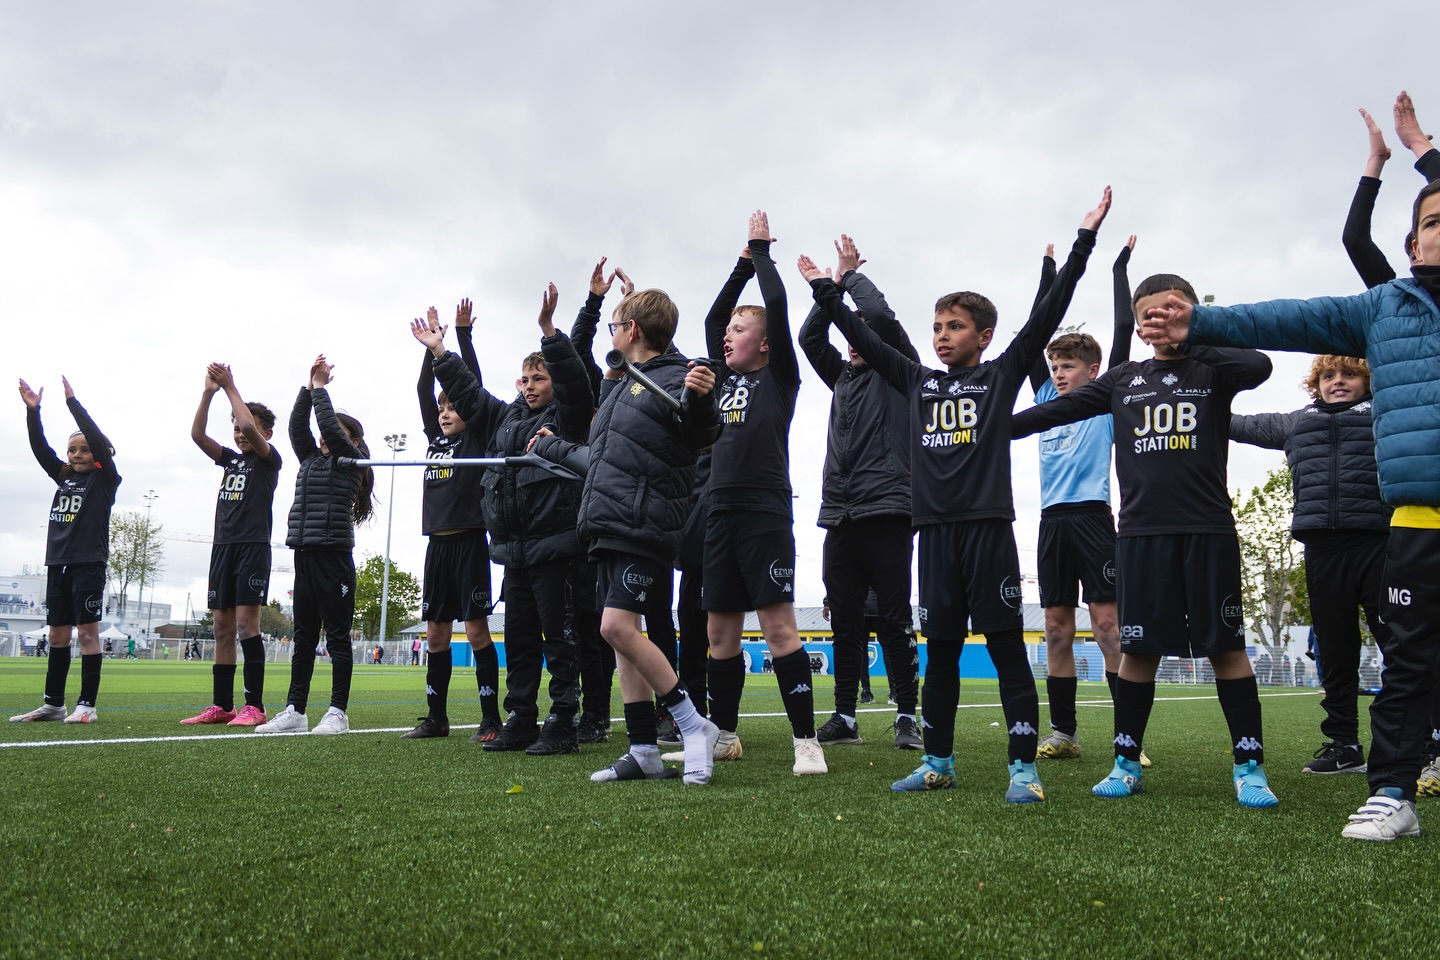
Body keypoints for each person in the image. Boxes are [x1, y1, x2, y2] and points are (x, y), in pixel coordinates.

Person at [1141, 175, 1440, 840]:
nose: (1337, 380)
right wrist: (1202, 339)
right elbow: (1282, 325)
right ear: (1412, 243)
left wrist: (1419, 155)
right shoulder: (1376, 322)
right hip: (1396, 530)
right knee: (1393, 657)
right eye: (1435, 220)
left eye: (1350, 374)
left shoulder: (1375, 412)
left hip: (1374, 538)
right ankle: (1384, 779)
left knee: (1410, 651)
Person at [799, 186, 1112, 801]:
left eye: (955, 326)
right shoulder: (916, 382)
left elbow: (1050, 311)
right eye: (937, 326)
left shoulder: (1000, 377)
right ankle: (937, 760)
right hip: (933, 537)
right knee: (939, 652)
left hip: (988, 532)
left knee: (1004, 651)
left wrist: (1083, 242)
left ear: (985, 335)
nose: (941, 336)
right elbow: (859, 332)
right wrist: (828, 290)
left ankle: (1024, 767)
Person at [1016, 271, 1277, 808]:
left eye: (1169, 310)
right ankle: (1126, 762)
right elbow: (1055, 411)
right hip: (1139, 536)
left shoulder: (1212, 367)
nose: (1157, 320)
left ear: (1186, 312)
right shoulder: (1121, 380)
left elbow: (1261, 364)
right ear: (1136, 326)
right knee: (1138, 652)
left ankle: (1249, 767)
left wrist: (1195, 331)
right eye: (1148, 315)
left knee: (1226, 649)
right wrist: (993, 426)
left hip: (1207, 532)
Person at [535, 286, 723, 783]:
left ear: (632, 331)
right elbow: (602, 457)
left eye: (615, 326)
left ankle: (690, 722)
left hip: (645, 524)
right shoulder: (620, 386)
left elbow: (702, 431)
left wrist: (702, 400)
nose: (610, 336)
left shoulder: (678, 377)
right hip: (607, 524)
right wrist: (556, 449)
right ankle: (642, 749)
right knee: (625, 639)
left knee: (614, 628)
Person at [704, 211, 825, 776]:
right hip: (719, 511)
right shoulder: (724, 381)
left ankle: (807, 740)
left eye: (740, 329)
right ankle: (724, 735)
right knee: (719, 630)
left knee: (777, 626)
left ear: (767, 345)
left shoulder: (779, 378)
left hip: (765, 510)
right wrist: (739, 266)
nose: (728, 335)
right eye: (729, 330)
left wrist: (762, 254)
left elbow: (776, 308)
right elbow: (711, 317)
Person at [1230, 355, 1391, 774]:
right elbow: (1233, 424)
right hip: (1322, 549)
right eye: (1328, 375)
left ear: (1368, 380)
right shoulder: (1296, 422)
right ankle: (1344, 745)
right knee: (1335, 653)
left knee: (1403, 646)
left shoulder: (1388, 413)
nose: (1338, 382)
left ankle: (1426, 741)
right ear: (1315, 383)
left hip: (1383, 544)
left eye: (1350, 374)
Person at [799, 235, 921, 751]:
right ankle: (845, 715)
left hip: (888, 509)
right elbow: (809, 339)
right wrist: (821, 292)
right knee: (846, 622)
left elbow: (880, 315)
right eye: (851, 334)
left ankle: (907, 718)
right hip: (840, 515)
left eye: (861, 334)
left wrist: (847, 279)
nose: (855, 341)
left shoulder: (899, 371)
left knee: (893, 620)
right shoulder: (843, 378)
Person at [460, 284, 591, 756]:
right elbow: (468, 396)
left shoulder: (572, 416)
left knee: (560, 639)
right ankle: (521, 717)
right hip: (512, 553)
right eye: (525, 379)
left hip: (555, 550)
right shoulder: (505, 421)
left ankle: (562, 721)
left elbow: (577, 385)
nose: (530, 386)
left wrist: (549, 333)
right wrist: (441, 351)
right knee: (518, 639)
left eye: (539, 378)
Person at [1025, 237, 1136, 762]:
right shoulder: (1044, 397)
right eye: (1054, 365)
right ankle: (1064, 732)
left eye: (1068, 365)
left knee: (1109, 625)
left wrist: (1119, 269)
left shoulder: (1106, 396)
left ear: (1091, 370)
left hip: (1094, 518)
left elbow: (1122, 330)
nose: (1058, 372)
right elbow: (1039, 329)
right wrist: (1048, 272)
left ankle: (1126, 738)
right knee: (1055, 628)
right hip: (1052, 522)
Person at [255, 355, 376, 736]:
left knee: (337, 637)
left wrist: (321, 390)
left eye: (334, 432)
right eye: (324, 432)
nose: (324, 436)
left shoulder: (351, 460)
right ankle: (295, 709)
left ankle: (337, 711)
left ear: (353, 441)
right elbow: (297, 427)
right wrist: (307, 390)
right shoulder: (309, 458)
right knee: (304, 638)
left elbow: (330, 428)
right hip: (304, 554)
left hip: (334, 556)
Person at [403, 300, 504, 743]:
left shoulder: (476, 438)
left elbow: (473, 388)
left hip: (469, 544)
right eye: (441, 408)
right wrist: (429, 349)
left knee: (477, 629)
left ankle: (490, 718)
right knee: (436, 634)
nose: (445, 413)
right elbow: (423, 390)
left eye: (452, 407)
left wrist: (460, 340)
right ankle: (436, 718)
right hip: (436, 548)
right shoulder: (433, 438)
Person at [10, 376, 121, 724]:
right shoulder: (64, 476)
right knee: (58, 635)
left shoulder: (105, 479)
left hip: (88, 563)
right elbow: (41, 449)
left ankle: (87, 704)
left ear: (100, 454)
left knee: (87, 633)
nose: (77, 455)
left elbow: (96, 444)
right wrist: (34, 412)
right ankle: (54, 704)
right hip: (57, 563)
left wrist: (73, 404)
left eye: (85, 449)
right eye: (72, 450)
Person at [184, 363, 281, 727]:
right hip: (222, 548)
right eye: (235, 428)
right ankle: (222, 705)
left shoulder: (269, 460)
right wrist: (209, 392)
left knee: (245, 625)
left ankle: (254, 705)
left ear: (266, 432)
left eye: (245, 428)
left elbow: (253, 430)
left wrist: (231, 387)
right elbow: (197, 435)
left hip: (252, 546)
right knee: (221, 628)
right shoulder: (230, 460)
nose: (239, 432)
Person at [1342, 93, 1440, 290]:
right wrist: (1376, 160)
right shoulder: (1401, 300)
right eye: (1413, 255)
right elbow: (1354, 239)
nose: (1417, 261)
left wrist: (1418, 143)